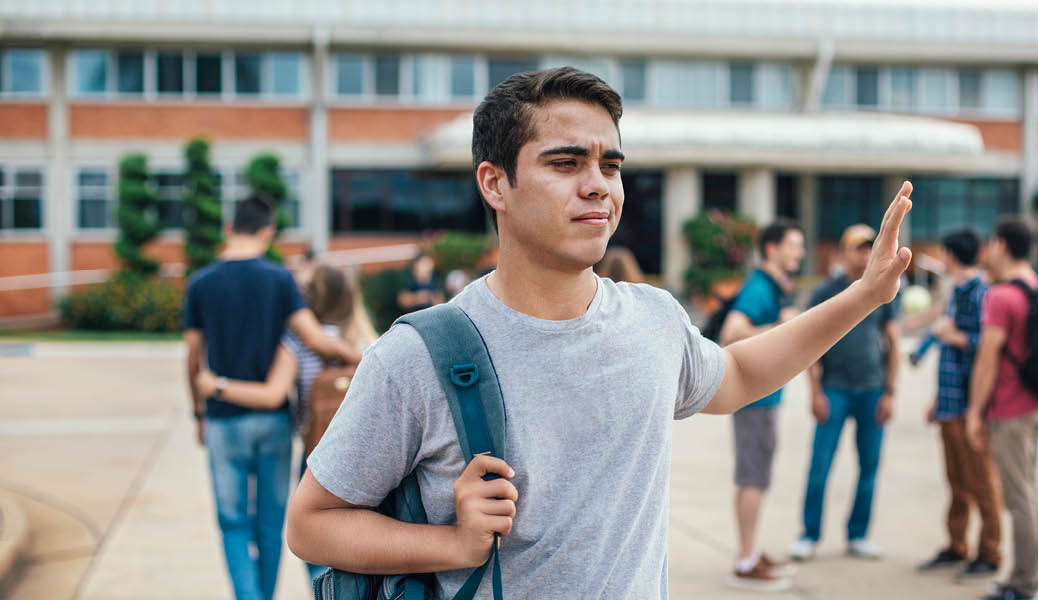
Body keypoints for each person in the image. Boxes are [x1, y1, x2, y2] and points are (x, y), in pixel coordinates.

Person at [284, 67, 915, 599]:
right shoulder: (420, 354)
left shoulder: (652, 319)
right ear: (495, 183)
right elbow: (312, 524)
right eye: (566, 162)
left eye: (609, 165)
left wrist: (863, 296)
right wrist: (449, 542)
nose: (597, 184)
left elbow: (741, 374)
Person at [183, 197, 361, 600]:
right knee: (269, 522)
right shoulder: (280, 280)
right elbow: (314, 339)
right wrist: (367, 356)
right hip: (274, 422)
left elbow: (193, 356)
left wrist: (198, 412)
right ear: (267, 232)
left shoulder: (201, 283)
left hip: (223, 419)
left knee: (232, 523)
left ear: (229, 227)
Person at [790, 223, 901, 562]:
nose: (865, 254)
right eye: (858, 247)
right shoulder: (827, 291)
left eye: (870, 247)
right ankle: (809, 534)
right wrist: (815, 392)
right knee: (820, 466)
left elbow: (893, 343)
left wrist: (890, 392)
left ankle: (858, 534)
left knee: (869, 467)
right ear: (844, 252)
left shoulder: (884, 291)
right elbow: (812, 346)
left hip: (872, 390)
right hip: (834, 389)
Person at [966, 217, 1038, 600]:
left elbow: (987, 361)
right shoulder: (1037, 285)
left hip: (1011, 409)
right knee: (1030, 493)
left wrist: (974, 412)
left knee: (1020, 498)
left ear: (1001, 245)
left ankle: (1025, 583)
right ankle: (1027, 576)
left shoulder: (1000, 296)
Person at [718, 221, 805, 591]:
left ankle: (751, 550)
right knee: (753, 477)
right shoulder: (758, 287)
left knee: (757, 476)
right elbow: (732, 333)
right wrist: (779, 325)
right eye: (793, 245)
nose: (799, 253)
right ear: (771, 249)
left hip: (763, 398)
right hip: (754, 400)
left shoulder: (771, 285)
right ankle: (746, 559)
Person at [917, 229, 1004, 578]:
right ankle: (957, 546)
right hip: (950, 404)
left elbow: (988, 344)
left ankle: (990, 552)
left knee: (982, 483)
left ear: (950, 256)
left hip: (972, 408)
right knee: (956, 482)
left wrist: (951, 335)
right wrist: (937, 400)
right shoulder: (959, 291)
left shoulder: (981, 293)